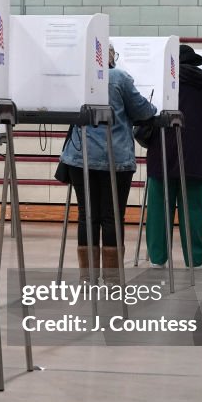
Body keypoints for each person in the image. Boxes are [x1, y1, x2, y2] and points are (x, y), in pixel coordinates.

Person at [58, 44, 156, 278]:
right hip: (116, 158)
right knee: (112, 216)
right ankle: (112, 277)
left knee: (87, 215)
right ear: (110, 56)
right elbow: (143, 111)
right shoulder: (119, 77)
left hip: (79, 157)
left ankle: (88, 276)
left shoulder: (79, 79)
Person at [145, 44, 202, 268]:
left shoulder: (162, 83)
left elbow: (143, 114)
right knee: (193, 210)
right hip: (197, 157)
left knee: (159, 210)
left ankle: (157, 259)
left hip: (162, 154)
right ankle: (194, 260)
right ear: (195, 63)